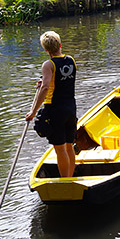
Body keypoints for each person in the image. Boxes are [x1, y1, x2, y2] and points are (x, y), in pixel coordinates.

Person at [25, 31, 77, 178]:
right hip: (71, 108)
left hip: (56, 110)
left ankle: (65, 181)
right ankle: (70, 178)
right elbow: (63, 80)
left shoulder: (48, 64)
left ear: (46, 50)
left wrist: (33, 111)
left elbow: (46, 88)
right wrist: (47, 81)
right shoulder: (71, 60)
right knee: (69, 146)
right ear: (60, 45)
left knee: (60, 150)